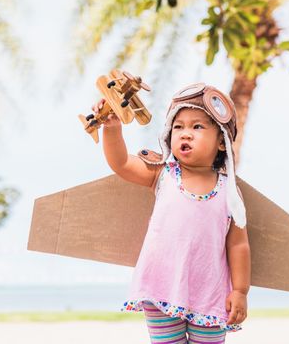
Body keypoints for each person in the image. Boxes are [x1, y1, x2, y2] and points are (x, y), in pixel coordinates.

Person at [92, 83, 251, 343]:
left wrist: (241, 291)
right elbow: (121, 164)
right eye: (178, 127)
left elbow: (238, 245)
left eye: (197, 127)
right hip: (161, 286)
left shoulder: (229, 191)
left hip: (209, 293)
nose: (185, 134)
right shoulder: (163, 174)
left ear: (221, 140)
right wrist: (112, 128)